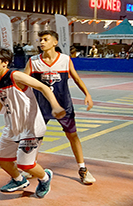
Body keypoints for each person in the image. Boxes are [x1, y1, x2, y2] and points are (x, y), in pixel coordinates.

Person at [0, 47, 65, 197]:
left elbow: (43, 87)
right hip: (13, 126)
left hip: (31, 126)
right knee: (2, 159)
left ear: (5, 63)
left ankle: (45, 177)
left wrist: (56, 106)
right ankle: (18, 180)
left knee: (25, 164)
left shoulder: (15, 76)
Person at [24, 30, 97, 185]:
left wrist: (87, 95)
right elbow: (23, 82)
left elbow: (76, 78)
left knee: (72, 136)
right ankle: (30, 166)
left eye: (45, 39)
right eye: (41, 39)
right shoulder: (33, 61)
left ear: (55, 42)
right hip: (41, 107)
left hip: (64, 106)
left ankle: (83, 169)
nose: (42, 42)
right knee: (35, 138)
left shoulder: (65, 60)